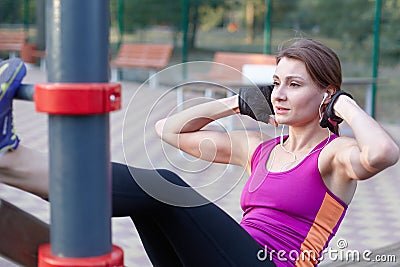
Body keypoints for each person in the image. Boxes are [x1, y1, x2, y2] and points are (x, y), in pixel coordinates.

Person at [0, 38, 398, 267]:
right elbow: (168, 130)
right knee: (153, 194)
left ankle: (15, 162)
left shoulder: (335, 156)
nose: (279, 93)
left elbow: (383, 153)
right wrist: (238, 103)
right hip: (227, 259)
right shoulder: (258, 151)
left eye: (294, 85)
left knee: (168, 187)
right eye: (276, 82)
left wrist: (341, 104)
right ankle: (22, 169)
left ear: (324, 94)